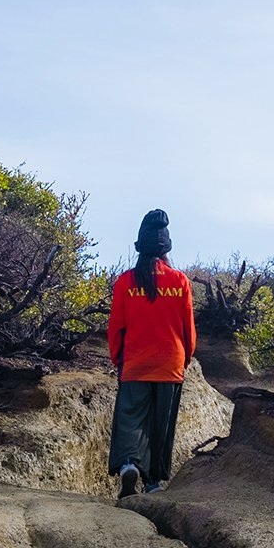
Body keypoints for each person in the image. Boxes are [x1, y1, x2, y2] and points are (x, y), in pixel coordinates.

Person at [105, 209, 196, 499]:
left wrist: (118, 359)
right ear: (166, 248)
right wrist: (186, 358)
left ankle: (130, 464)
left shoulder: (125, 282)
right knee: (160, 424)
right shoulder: (180, 281)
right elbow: (188, 329)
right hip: (170, 365)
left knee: (131, 419)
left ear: (139, 247)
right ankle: (153, 482)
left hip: (135, 364)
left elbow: (116, 327)